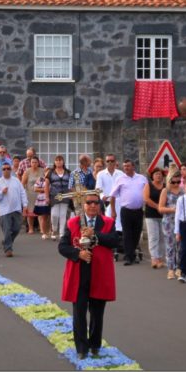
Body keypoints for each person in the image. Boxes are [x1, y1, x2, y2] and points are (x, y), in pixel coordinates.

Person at [58, 191, 118, 361]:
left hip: (99, 273)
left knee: (97, 313)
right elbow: (62, 247)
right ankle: (81, 348)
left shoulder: (108, 222)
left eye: (95, 202)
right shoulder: (72, 223)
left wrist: (95, 235)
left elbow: (114, 241)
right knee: (79, 312)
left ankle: (95, 345)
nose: (92, 205)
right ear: (83, 205)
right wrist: (78, 254)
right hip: (79, 273)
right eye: (89, 202)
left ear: (99, 205)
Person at [110, 159, 146, 266]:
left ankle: (133, 254)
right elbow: (112, 196)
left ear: (133, 167)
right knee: (127, 234)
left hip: (138, 210)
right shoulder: (120, 179)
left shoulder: (142, 178)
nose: (126, 168)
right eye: (124, 166)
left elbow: (147, 193)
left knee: (137, 233)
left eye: (128, 166)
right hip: (126, 210)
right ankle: (128, 257)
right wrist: (113, 211)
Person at [0, 164, 27, 257]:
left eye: (8, 169)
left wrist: (25, 205)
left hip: (16, 208)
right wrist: (1, 192)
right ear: (2, 171)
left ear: (11, 170)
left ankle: (7, 241)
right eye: (4, 169)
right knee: (7, 230)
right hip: (4, 210)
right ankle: (8, 249)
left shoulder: (16, 181)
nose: (6, 170)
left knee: (16, 228)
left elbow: (22, 192)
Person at [95, 154, 125, 260]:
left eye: (112, 161)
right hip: (108, 203)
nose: (110, 163)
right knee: (110, 224)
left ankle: (121, 246)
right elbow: (98, 188)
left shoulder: (121, 174)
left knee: (121, 224)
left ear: (115, 162)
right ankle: (111, 247)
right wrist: (102, 196)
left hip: (120, 202)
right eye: (108, 161)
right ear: (105, 162)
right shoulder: (101, 174)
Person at [158, 167, 184, 280]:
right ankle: (170, 269)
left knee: (181, 245)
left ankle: (179, 267)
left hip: (181, 221)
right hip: (169, 221)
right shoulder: (165, 191)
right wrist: (173, 209)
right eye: (173, 182)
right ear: (169, 180)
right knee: (170, 245)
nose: (176, 184)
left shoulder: (183, 191)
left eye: (178, 181)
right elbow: (160, 208)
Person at [143, 167, 166, 269]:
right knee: (153, 237)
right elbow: (146, 199)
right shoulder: (148, 185)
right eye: (156, 174)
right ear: (152, 175)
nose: (158, 175)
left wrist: (163, 209)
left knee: (162, 237)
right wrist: (158, 207)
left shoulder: (165, 186)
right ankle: (154, 258)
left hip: (163, 216)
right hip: (151, 215)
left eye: (160, 174)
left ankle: (161, 258)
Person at [47, 155, 73, 241]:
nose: (59, 162)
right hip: (54, 195)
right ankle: (54, 230)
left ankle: (61, 233)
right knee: (54, 215)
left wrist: (71, 194)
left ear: (63, 162)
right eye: (57, 160)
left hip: (65, 195)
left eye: (60, 160)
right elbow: (46, 185)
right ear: (54, 162)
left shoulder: (68, 172)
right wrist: (46, 197)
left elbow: (72, 184)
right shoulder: (50, 172)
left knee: (63, 215)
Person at [21, 155, 45, 235]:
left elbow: (46, 181)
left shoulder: (42, 171)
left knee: (40, 212)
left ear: (38, 163)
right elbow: (23, 183)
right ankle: (30, 228)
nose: (34, 163)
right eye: (32, 162)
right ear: (30, 163)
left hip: (40, 194)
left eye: (35, 162)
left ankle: (42, 229)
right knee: (30, 213)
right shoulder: (27, 171)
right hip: (30, 194)